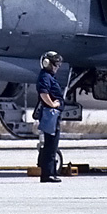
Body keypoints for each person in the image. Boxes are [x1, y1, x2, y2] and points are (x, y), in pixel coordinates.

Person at [35, 51, 65, 183]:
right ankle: (47, 174)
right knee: (50, 145)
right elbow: (43, 93)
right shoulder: (45, 77)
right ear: (47, 64)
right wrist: (53, 104)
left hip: (52, 114)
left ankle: (49, 172)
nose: (57, 67)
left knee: (51, 144)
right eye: (55, 64)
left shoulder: (48, 76)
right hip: (50, 114)